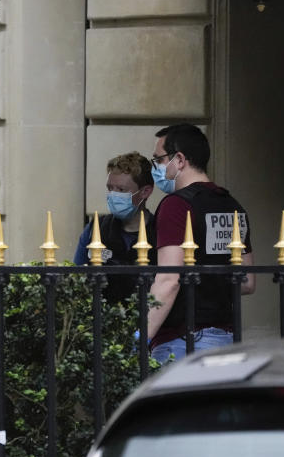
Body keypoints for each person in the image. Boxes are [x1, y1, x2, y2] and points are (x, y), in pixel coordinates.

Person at [147, 124, 255, 364]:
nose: (156, 167)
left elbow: (168, 279)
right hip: (227, 339)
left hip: (183, 340)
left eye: (159, 159)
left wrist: (138, 336)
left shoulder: (176, 205)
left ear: (180, 159)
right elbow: (247, 281)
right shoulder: (233, 205)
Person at [73, 152, 156, 304]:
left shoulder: (160, 231)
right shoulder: (96, 229)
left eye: (122, 190)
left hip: (149, 320)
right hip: (102, 320)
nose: (113, 195)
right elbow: (77, 278)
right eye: (110, 188)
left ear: (145, 191)